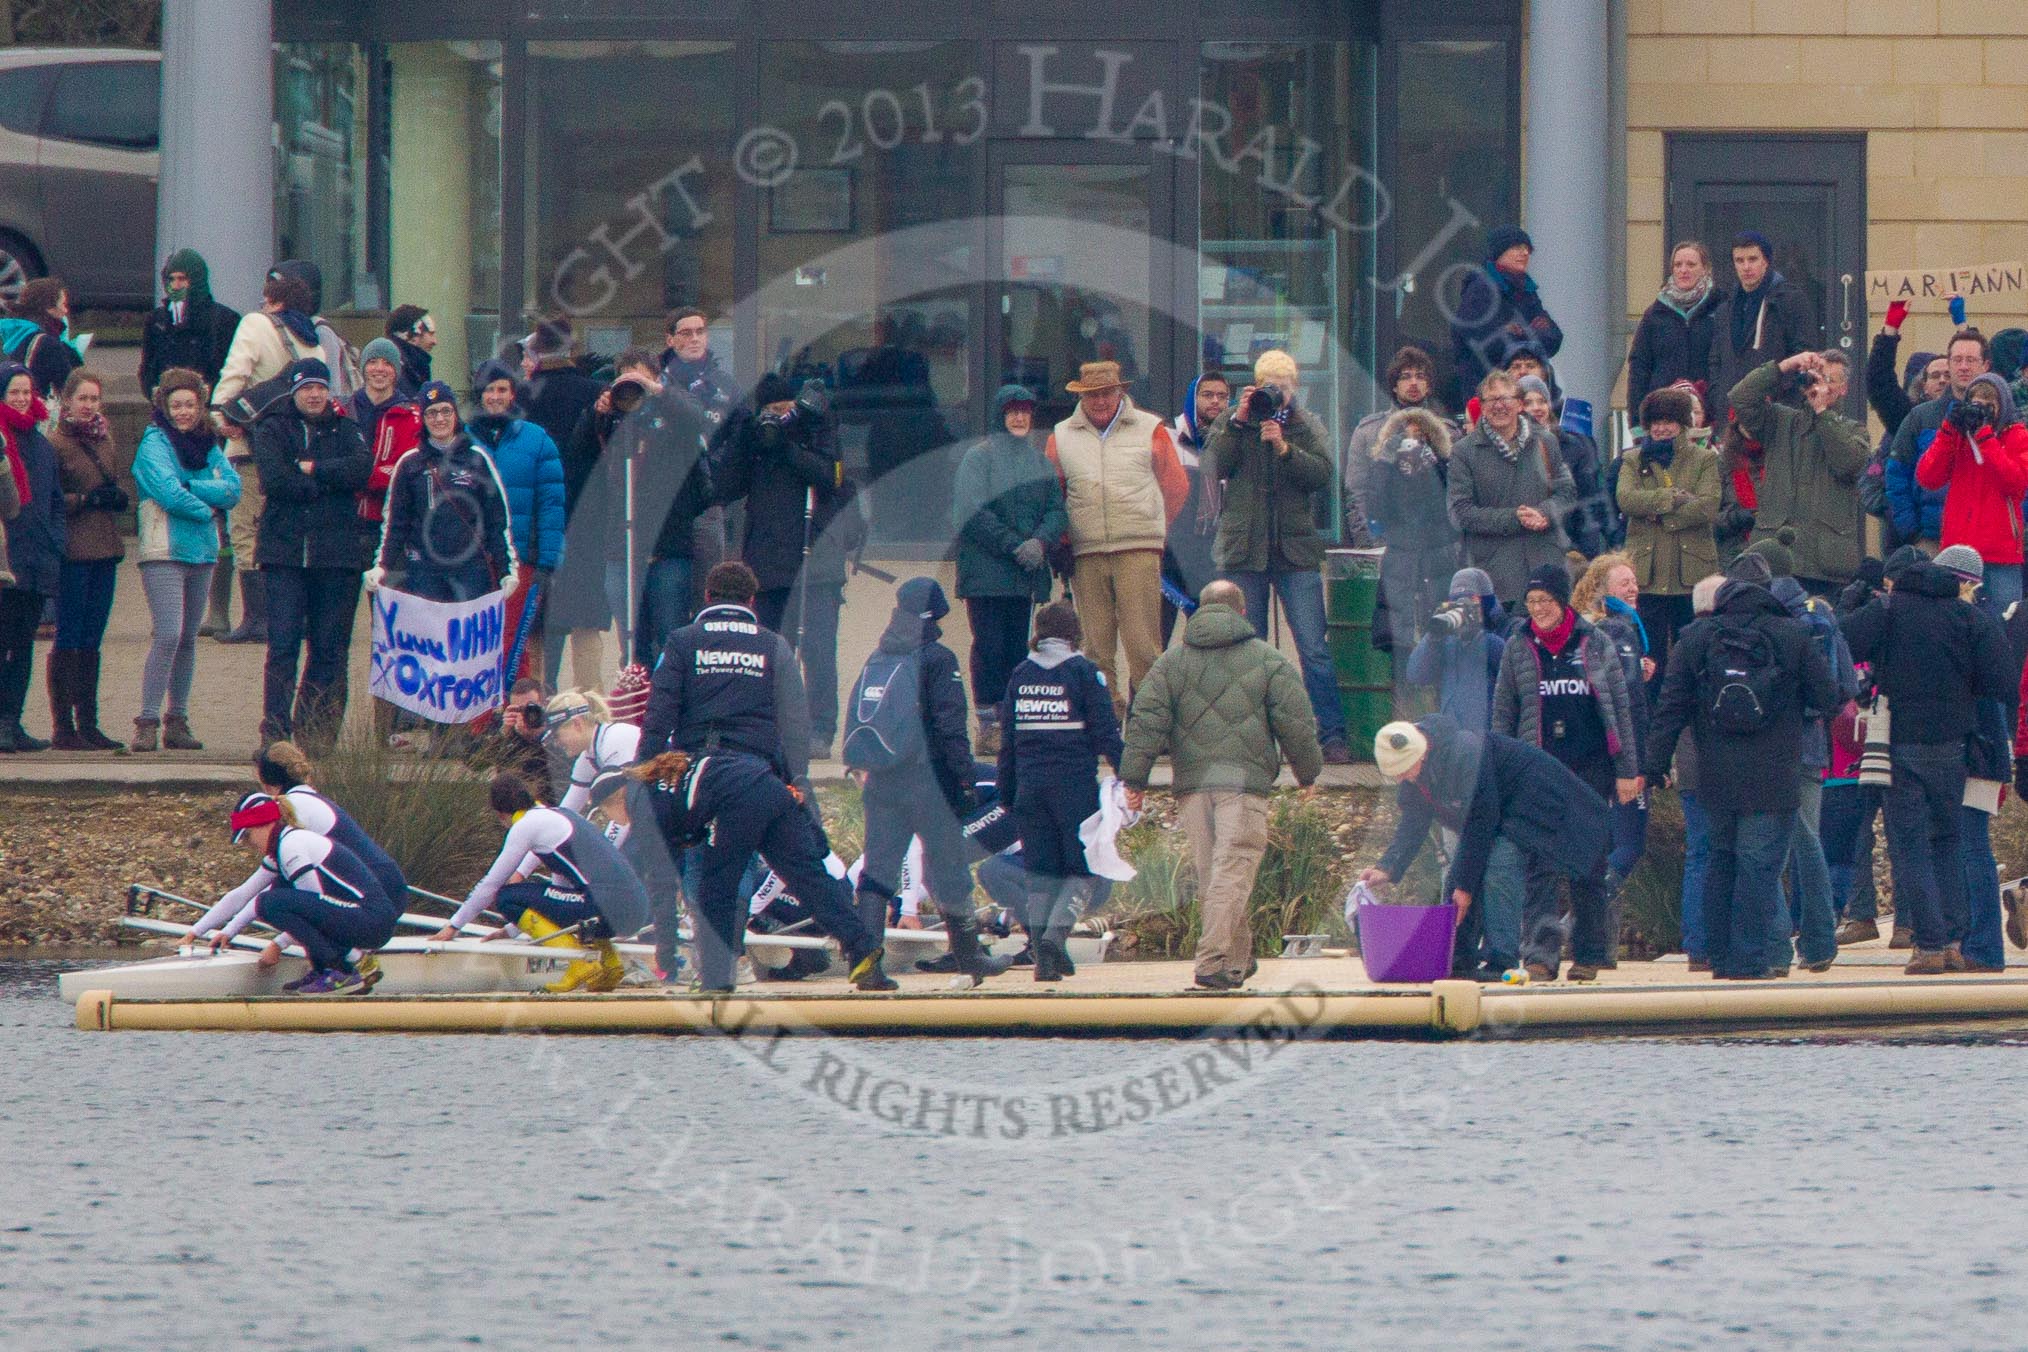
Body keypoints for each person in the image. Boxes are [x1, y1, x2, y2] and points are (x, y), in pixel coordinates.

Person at [1119, 580, 1322, 990]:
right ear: (1242, 613)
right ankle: (1210, 963)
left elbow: (1145, 723)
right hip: (1244, 786)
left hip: (1192, 787)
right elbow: (1295, 723)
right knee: (1232, 873)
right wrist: (1309, 774)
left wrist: (1134, 779)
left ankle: (1238, 960)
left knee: (1218, 875)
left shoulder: (1170, 664)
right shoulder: (1269, 661)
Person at [1646, 571, 1838, 980]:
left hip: (1715, 772)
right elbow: (1827, 697)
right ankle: (1750, 960)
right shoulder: (1792, 635)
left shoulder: (1695, 637)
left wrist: (1654, 765)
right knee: (1759, 867)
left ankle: (1718, 957)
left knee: (1722, 861)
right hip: (1775, 772)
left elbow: (1670, 707)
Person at [1844, 549, 2015, 974]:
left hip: (1901, 743)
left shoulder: (1889, 609)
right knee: (1949, 842)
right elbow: (2003, 681)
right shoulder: (1967, 617)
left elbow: (1844, 639)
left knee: (1911, 845)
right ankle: (1956, 943)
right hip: (1954, 745)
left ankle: (1930, 946)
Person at [843, 577, 1011, 985]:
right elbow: (951, 726)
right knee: (950, 867)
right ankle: (970, 958)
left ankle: (864, 966)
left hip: (881, 781)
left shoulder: (879, 656)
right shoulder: (938, 658)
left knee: (878, 872)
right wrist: (966, 781)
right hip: (928, 784)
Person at [1363, 715, 1611, 981]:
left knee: (1499, 868)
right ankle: (1458, 958)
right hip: (1495, 814)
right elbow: (1412, 825)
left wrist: (1465, 887)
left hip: (1534, 802)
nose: (1402, 778)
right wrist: (1387, 868)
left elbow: (1481, 820)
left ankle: (1501, 958)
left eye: (1404, 771)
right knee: (1458, 885)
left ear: (1421, 755)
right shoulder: (1416, 776)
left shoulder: (1465, 753)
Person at [627, 750, 897, 993]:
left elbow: (663, 883)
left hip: (740, 799)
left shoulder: (642, 803)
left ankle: (716, 978)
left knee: (715, 891)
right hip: (771, 787)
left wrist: (665, 957)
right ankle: (865, 955)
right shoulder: (680, 769)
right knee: (809, 880)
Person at [1490, 563, 1640, 980]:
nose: (1538, 609)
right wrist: (1499, 768)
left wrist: (1628, 769)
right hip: (1536, 769)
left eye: (1546, 601)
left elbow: (1619, 709)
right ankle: (1540, 955)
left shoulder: (1595, 642)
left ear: (1562, 601)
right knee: (1539, 863)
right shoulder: (1518, 645)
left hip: (1590, 765)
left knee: (1589, 860)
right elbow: (1503, 712)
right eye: (1532, 602)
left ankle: (1590, 954)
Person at [1204, 349, 1350, 762]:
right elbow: (1215, 465)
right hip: (1244, 552)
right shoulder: (1235, 421)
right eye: (1270, 385)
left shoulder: (1306, 424)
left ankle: (1332, 735)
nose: (1277, 393)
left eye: (1284, 386)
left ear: (1296, 387)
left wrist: (1285, 449)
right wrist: (1239, 421)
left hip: (1296, 552)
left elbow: (1323, 474)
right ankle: (1250, 739)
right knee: (1247, 649)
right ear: (1254, 385)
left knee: (1313, 647)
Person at [713, 373, 857, 757]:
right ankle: (766, 726)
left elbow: (831, 477)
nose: (779, 418)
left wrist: (789, 441)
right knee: (769, 652)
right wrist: (745, 437)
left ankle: (820, 730)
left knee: (819, 654)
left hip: (817, 566)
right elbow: (723, 487)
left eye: (785, 410)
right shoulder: (756, 443)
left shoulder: (815, 431)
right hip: (767, 567)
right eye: (772, 412)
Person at [1043, 360, 1188, 718]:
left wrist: (1154, 528)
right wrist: (1062, 541)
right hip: (1086, 551)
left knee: (1143, 645)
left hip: (1138, 549)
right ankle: (1105, 720)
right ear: (1082, 396)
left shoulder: (1151, 428)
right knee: (1095, 647)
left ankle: (1153, 723)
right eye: (1092, 394)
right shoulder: (1059, 436)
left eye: (1107, 393)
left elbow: (1176, 487)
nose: (1101, 401)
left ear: (1121, 392)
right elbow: (1052, 495)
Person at [995, 599, 1125, 982]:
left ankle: (1046, 959)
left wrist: (1007, 794)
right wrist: (1130, 776)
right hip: (1073, 788)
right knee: (1081, 869)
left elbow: (1008, 740)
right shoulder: (1084, 672)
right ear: (1074, 633)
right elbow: (1106, 732)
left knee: (1040, 873)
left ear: (1039, 632)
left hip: (1029, 788)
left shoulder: (1020, 673)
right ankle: (1053, 937)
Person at [433, 773, 651, 993]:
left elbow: (491, 885)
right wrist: (512, 930)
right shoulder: (562, 815)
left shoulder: (526, 825)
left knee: (506, 896)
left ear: (501, 814)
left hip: (609, 910)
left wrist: (454, 926)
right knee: (584, 897)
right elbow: (561, 898)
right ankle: (610, 965)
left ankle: (578, 962)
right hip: (635, 910)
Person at [253, 359, 373, 748]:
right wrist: (317, 485)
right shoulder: (273, 427)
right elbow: (274, 479)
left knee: (328, 648)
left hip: (335, 557)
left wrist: (314, 469)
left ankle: (315, 732)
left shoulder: (346, 427)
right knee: (283, 645)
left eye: (321, 387)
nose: (315, 394)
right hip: (284, 554)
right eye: (307, 388)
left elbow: (360, 470)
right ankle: (274, 730)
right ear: (294, 390)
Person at [185, 792, 400, 996]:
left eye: (248, 836)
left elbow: (312, 909)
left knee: (272, 903)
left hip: (372, 920)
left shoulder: (292, 846)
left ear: (265, 823)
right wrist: (201, 932)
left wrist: (279, 943)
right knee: (271, 901)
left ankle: (345, 968)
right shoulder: (281, 848)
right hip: (360, 918)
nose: (249, 845)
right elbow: (242, 895)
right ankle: (327, 969)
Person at [130, 367, 240, 752]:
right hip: (163, 549)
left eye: (189, 405)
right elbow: (164, 491)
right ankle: (146, 720)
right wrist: (205, 508)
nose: (183, 412)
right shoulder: (153, 444)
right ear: (164, 404)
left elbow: (233, 489)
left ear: (200, 405)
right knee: (168, 634)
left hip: (203, 552)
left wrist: (192, 486)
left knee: (189, 638)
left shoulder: (208, 443)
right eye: (176, 405)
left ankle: (177, 719)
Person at [213, 268, 325, 646]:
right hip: (295, 453)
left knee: (245, 530)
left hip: (250, 447)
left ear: (275, 301)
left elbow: (234, 376)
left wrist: (220, 416)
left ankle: (255, 619)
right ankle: (289, 618)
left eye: (265, 299)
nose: (261, 305)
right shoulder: (313, 340)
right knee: (284, 531)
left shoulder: (255, 325)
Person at [952, 383, 1066, 753]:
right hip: (985, 576)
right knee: (989, 648)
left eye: (1026, 411)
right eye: (1012, 411)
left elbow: (1056, 509)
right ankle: (988, 725)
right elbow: (970, 513)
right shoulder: (978, 458)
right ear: (1000, 416)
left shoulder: (1039, 463)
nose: (1020, 417)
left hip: (1023, 578)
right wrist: (1014, 545)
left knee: (1017, 649)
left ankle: (1012, 721)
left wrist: (1041, 542)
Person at [637, 560, 811, 786]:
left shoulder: (681, 641)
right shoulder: (775, 645)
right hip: (756, 771)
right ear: (751, 600)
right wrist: (796, 778)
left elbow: (660, 712)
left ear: (708, 596)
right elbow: (795, 719)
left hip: (694, 769)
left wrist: (645, 765)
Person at [1764, 572, 1860, 974]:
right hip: (1812, 745)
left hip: (1768, 747)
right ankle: (1819, 942)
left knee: (1768, 847)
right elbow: (1847, 684)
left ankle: (1775, 946)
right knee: (1809, 843)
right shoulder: (1821, 616)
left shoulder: (1765, 622)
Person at [1729, 350, 1870, 595]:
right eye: (1817, 376)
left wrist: (1822, 413)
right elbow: (1741, 398)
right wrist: (1784, 365)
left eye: (1829, 379)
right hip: (1773, 557)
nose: (1820, 383)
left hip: (1823, 566)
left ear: (1844, 388)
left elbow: (1848, 462)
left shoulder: (1855, 430)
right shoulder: (1782, 420)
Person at [1571, 551, 1655, 957]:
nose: (1633, 589)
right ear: (1603, 590)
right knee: (1629, 844)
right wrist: (1640, 763)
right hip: (1622, 758)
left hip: (1588, 756)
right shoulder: (1619, 631)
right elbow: (1630, 704)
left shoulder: (1584, 629)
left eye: (1634, 581)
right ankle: (1582, 920)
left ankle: (1597, 946)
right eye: (1624, 583)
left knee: (1601, 843)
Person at [368, 380, 515, 610]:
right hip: (425, 572)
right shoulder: (409, 464)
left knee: (467, 644)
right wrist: (382, 566)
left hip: (471, 570)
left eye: (446, 411)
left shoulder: (477, 459)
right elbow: (395, 524)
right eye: (432, 413)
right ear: (423, 419)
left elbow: (497, 521)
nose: (439, 419)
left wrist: (507, 570)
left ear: (455, 414)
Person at [46, 370, 128, 750]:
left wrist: (115, 496)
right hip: (74, 549)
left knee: (93, 636)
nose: (89, 406)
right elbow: (49, 498)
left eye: (94, 399)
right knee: (69, 635)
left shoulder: (106, 437)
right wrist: (83, 500)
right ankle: (64, 726)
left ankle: (88, 722)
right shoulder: (56, 442)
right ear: (68, 402)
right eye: (83, 399)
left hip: (106, 547)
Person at [468, 360, 564, 678]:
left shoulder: (537, 440)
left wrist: (548, 560)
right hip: (473, 559)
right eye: (488, 390)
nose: (495, 396)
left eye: (502, 389)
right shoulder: (462, 441)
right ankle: (477, 722)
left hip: (521, 557)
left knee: (513, 640)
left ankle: (513, 717)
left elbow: (551, 504)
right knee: (476, 641)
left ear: (512, 394)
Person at [1617, 385, 1720, 683]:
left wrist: (1658, 517)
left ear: (1683, 424)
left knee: (1694, 654)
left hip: (1691, 575)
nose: (1661, 429)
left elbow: (1708, 506)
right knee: (1649, 656)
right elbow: (1626, 499)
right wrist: (1672, 498)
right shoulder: (1632, 460)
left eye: (1669, 421)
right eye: (1656, 422)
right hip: (1647, 576)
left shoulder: (1705, 460)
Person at [1447, 370, 1574, 608]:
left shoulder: (1546, 442)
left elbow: (1567, 493)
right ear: (1482, 407)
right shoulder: (1464, 451)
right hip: (1494, 577)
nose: (1500, 406)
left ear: (1519, 404)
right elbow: (1460, 513)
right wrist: (1515, 518)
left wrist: (1545, 513)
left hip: (1545, 571)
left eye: (1506, 399)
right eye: (1492, 400)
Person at [1916, 373, 2028, 614]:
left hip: (2000, 555)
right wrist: (1948, 431)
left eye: (1990, 407)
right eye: (1977, 406)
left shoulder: (2017, 436)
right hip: (1957, 551)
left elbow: (2017, 483)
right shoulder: (1957, 437)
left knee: (2005, 624)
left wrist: (1986, 438)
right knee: (1951, 624)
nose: (1983, 412)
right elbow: (1928, 478)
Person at [252, 740, 409, 906]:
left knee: (274, 903)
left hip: (377, 891)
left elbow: (254, 888)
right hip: (390, 883)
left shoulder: (292, 806)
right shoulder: (309, 797)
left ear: (267, 786)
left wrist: (229, 928)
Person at [1369, 404, 1461, 664]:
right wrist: (1387, 459)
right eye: (1406, 433)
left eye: (1421, 434)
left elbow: (1450, 508)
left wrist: (1432, 465)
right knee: (1400, 649)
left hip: (1439, 560)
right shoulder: (1385, 466)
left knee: (1443, 646)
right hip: (1400, 561)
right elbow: (1376, 508)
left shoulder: (1444, 464)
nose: (1414, 438)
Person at [0, 363, 61, 751]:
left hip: (39, 558)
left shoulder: (41, 442)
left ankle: (12, 721)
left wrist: (55, 541)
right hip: (7, 561)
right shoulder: (3, 440)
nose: (22, 399)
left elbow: (53, 498)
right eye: (14, 393)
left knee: (22, 647)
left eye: (27, 392)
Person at [1888, 326, 1992, 554]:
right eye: (1957, 360)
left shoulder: (2001, 415)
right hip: (1932, 540)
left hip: (1990, 543)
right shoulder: (1921, 416)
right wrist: (1912, 531)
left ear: (1985, 365)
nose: (1963, 366)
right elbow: (1896, 475)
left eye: (1971, 360)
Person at [1704, 231, 1820, 428]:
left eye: (1752, 259)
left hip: (1773, 412)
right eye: (1739, 260)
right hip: (1732, 414)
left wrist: (1780, 395)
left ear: (1766, 261)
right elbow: (1716, 359)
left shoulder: (1790, 300)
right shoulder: (1726, 308)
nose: (1746, 267)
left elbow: (1803, 355)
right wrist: (1719, 396)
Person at [1449, 225, 1562, 406]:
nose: (1524, 253)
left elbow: (1554, 339)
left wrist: (1517, 333)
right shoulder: (1480, 289)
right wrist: (1529, 333)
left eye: (1527, 249)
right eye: (1517, 247)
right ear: (1499, 252)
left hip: (1525, 397)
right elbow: (1486, 344)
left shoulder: (1527, 290)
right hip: (1487, 393)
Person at [1346, 346, 1443, 549]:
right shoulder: (1368, 431)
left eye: (1420, 376)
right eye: (1405, 376)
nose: (1414, 382)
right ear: (1394, 386)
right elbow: (1357, 495)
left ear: (1429, 385)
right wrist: (1372, 544)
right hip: (1386, 545)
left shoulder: (1448, 433)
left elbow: (1457, 494)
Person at [1163, 369, 1229, 641]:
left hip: (1210, 556)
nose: (1215, 402)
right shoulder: (1167, 437)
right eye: (1208, 395)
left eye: (1222, 396)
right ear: (1193, 398)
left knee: (1209, 639)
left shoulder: (1232, 439)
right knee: (1155, 643)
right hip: (1169, 556)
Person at [1514, 369, 1607, 559]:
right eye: (1528, 402)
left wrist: (1584, 552)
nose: (1537, 408)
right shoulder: (1505, 446)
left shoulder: (1573, 446)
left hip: (1565, 548)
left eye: (1541, 401)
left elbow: (1587, 503)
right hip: (1519, 549)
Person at [1406, 567, 1505, 733]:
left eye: (1471, 601)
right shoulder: (1446, 640)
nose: (1464, 608)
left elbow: (1511, 667)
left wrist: (1479, 636)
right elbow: (1416, 675)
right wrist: (1433, 637)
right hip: (1454, 737)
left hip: (1488, 737)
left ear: (1485, 601)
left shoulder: (1505, 629)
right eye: (1457, 602)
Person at [1627, 240, 1722, 409]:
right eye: (1678, 265)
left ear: (1706, 269)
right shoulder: (1654, 315)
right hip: (1663, 414)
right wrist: (1637, 422)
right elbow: (1639, 369)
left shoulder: (1722, 308)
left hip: (1709, 413)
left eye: (1691, 264)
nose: (1683, 270)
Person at [139, 249, 239, 396]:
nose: (175, 286)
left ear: (196, 279)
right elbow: (148, 366)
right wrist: (154, 392)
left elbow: (230, 370)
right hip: (167, 406)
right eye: (171, 279)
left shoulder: (225, 319)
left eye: (182, 279)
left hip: (207, 407)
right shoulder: (157, 320)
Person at [546, 689, 641, 814]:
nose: (556, 743)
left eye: (556, 735)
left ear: (577, 724)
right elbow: (566, 812)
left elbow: (626, 810)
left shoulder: (613, 741)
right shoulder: (589, 756)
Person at [5, 277, 83, 401]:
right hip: (33, 410)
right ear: (49, 308)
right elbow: (68, 387)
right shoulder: (48, 344)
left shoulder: (14, 333)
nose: (65, 310)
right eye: (63, 304)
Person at [385, 304, 436, 397]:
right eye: (431, 334)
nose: (435, 341)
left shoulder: (412, 369)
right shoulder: (396, 375)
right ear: (412, 335)